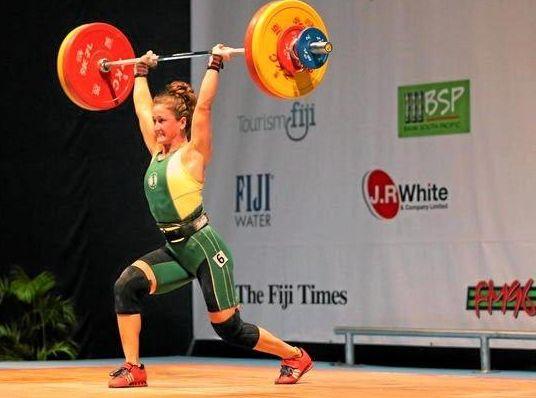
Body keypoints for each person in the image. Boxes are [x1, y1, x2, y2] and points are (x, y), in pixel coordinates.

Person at [108, 45, 313, 388]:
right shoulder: (156, 151)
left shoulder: (193, 154)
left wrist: (215, 63)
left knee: (228, 328)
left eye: (163, 121)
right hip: (175, 249)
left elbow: (203, 105)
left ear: (181, 123)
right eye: (156, 121)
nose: (156, 126)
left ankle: (295, 356)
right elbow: (142, 107)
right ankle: (133, 368)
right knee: (126, 286)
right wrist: (139, 71)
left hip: (203, 247)